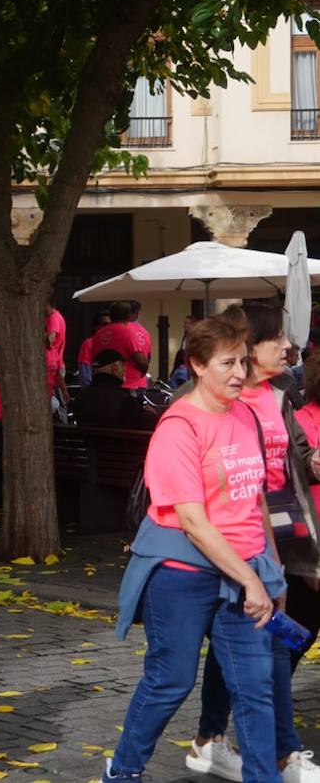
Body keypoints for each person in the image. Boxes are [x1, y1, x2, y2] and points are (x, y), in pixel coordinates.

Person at [102, 311, 284, 783]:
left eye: (243, 361)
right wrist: (250, 581)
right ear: (198, 365)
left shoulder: (246, 415)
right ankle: (122, 772)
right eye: (227, 363)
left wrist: (271, 571)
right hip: (184, 574)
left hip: (245, 570)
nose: (240, 373)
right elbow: (193, 522)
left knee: (255, 686)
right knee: (171, 680)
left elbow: (256, 496)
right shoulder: (178, 427)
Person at [183, 304, 320, 783]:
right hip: (230, 540)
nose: (288, 346)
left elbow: (293, 457)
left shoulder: (280, 394)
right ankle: (276, 753)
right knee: (263, 644)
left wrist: (313, 459)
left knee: (254, 645)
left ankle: (214, 739)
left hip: (286, 533)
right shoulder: (210, 400)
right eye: (278, 337)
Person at [70, 350, 160, 430]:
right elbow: (152, 424)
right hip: (120, 448)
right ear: (114, 368)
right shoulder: (125, 402)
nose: (125, 369)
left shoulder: (81, 398)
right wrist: (150, 413)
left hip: (90, 448)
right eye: (123, 365)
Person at [92, 301, 151, 393]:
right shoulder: (127, 332)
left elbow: (94, 358)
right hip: (128, 384)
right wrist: (144, 371)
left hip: (102, 383)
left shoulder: (98, 334)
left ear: (111, 315)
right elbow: (141, 360)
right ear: (128, 315)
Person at [78, 312, 113, 386]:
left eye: (111, 324)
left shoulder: (115, 344)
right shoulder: (89, 344)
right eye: (105, 324)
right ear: (95, 327)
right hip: (96, 391)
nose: (108, 327)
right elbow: (85, 376)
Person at [46, 300, 67, 395]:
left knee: (58, 400)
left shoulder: (54, 317)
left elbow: (51, 339)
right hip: (56, 364)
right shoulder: (57, 317)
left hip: (54, 366)